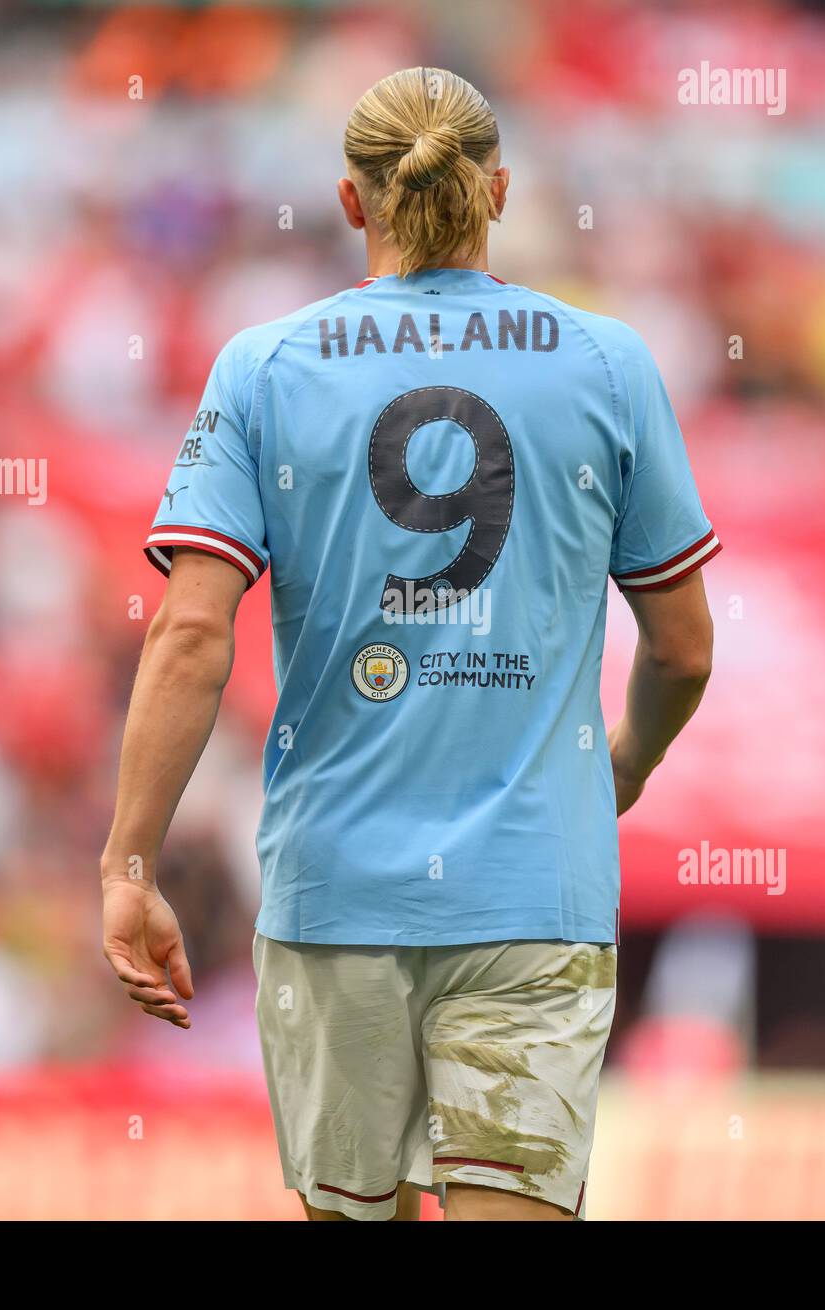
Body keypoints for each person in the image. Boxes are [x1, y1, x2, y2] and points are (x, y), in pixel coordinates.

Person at [99, 67, 718, 1221]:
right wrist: (619, 764)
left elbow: (190, 635)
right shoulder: (607, 362)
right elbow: (681, 648)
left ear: (350, 202)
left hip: (336, 895)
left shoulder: (266, 367)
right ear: (499, 191)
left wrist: (128, 862)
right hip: (535, 886)